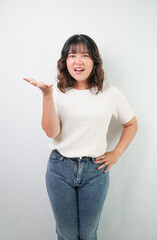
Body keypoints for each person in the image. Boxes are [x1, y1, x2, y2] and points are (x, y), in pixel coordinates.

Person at [23, 34, 138, 240]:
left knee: (88, 233)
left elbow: (131, 124)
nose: (78, 61)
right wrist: (47, 96)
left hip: (96, 171)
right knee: (66, 234)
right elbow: (52, 133)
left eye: (85, 55)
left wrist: (117, 153)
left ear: (94, 61)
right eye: (72, 55)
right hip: (60, 169)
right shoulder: (57, 92)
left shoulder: (110, 93)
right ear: (65, 62)